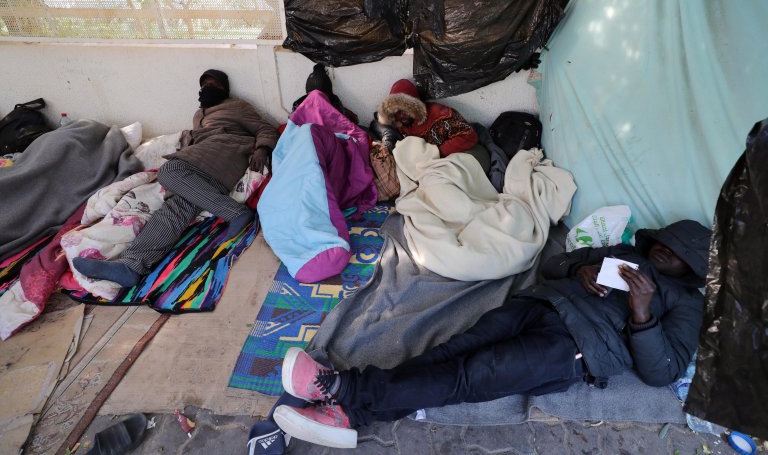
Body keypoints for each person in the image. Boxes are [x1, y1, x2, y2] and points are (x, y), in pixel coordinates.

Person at [272, 220, 711, 448]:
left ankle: (341, 386)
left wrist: (642, 314)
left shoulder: (686, 302)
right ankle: (353, 417)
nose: (662, 252)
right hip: (537, 305)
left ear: (690, 271)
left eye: (675, 255)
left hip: (573, 349)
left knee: (469, 376)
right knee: (450, 352)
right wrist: (580, 268)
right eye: (663, 243)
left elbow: (662, 371)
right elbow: (553, 265)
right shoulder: (623, 253)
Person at [73, 69, 278, 288]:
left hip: (227, 151)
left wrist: (263, 149)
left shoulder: (237, 106)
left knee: (170, 171)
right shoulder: (199, 114)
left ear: (225, 89)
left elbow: (265, 127)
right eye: (204, 84)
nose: (208, 88)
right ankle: (131, 266)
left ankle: (235, 212)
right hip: (205, 161)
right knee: (176, 208)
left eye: (214, 84)